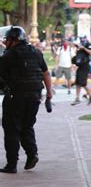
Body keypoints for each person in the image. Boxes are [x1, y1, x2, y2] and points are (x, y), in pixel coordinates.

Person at [0, 26, 53, 173]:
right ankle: (32, 154)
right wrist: (49, 93)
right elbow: (46, 73)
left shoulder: (8, 56)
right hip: (35, 96)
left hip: (15, 97)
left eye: (8, 40)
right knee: (27, 126)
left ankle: (11, 164)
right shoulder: (36, 52)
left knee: (12, 129)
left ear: (13, 40)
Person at [71, 38, 91, 106]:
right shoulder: (78, 48)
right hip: (80, 66)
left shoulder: (87, 46)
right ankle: (77, 98)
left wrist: (84, 48)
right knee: (78, 83)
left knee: (82, 82)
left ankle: (90, 96)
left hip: (85, 66)